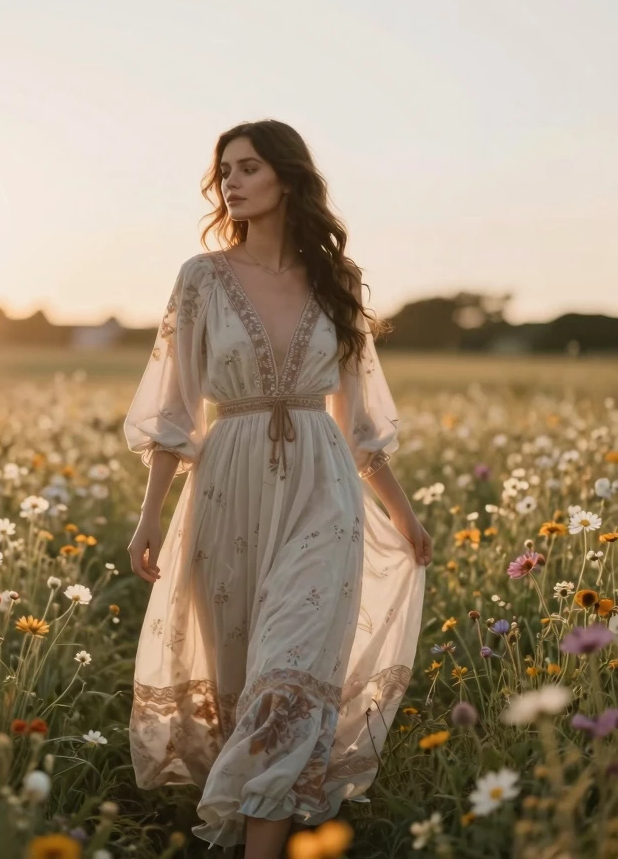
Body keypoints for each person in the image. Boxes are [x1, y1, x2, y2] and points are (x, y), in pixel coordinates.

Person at [123, 119, 431, 858]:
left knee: (287, 677)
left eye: (249, 166)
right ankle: (250, 829)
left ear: (287, 179)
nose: (231, 180)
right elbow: (174, 409)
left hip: (325, 494)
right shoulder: (201, 278)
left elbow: (359, 425)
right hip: (227, 488)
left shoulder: (338, 282)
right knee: (241, 683)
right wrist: (150, 519)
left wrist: (406, 515)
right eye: (224, 169)